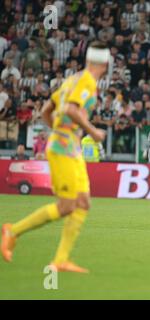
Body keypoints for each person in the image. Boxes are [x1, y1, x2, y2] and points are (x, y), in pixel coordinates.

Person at [1, 42, 109, 273]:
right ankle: (12, 231)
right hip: (64, 148)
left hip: (68, 146)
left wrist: (59, 133)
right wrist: (93, 132)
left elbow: (45, 111)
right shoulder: (88, 81)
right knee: (67, 205)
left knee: (83, 202)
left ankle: (61, 260)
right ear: (106, 64)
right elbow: (71, 109)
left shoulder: (71, 80)